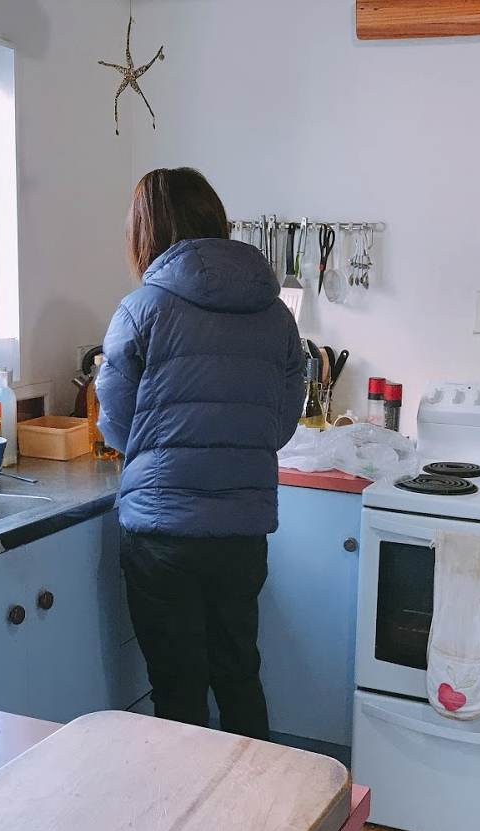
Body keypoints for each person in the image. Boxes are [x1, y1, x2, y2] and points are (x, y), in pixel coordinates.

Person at [95, 167, 305, 740]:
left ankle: (188, 798)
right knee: (239, 674)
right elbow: (281, 422)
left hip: (162, 531)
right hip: (241, 530)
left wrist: (161, 445)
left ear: (146, 230)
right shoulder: (275, 314)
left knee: (178, 687)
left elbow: (115, 423)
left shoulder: (141, 309)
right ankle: (261, 796)